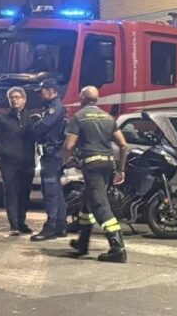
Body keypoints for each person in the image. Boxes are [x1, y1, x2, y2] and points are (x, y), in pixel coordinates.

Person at [66, 86, 129, 263]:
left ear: (81, 98)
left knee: (100, 205)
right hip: (108, 165)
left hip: (91, 165)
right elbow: (123, 145)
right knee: (88, 202)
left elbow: (69, 145)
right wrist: (121, 170)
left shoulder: (79, 117)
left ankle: (118, 248)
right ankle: (82, 243)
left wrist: (67, 160)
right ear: (96, 99)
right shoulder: (108, 118)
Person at [0, 86, 36, 236]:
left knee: (24, 193)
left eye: (17, 97)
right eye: (11, 98)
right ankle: (14, 225)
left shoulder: (31, 117)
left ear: (24, 100)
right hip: (9, 163)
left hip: (27, 162)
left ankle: (22, 222)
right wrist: (3, 151)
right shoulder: (2, 119)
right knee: (11, 193)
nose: (14, 100)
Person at [30, 78, 68, 242]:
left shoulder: (55, 107)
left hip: (52, 154)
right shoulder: (53, 107)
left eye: (42, 91)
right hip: (53, 154)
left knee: (50, 190)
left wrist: (34, 124)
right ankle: (60, 225)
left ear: (51, 90)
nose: (40, 94)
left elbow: (41, 128)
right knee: (56, 190)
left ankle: (51, 227)